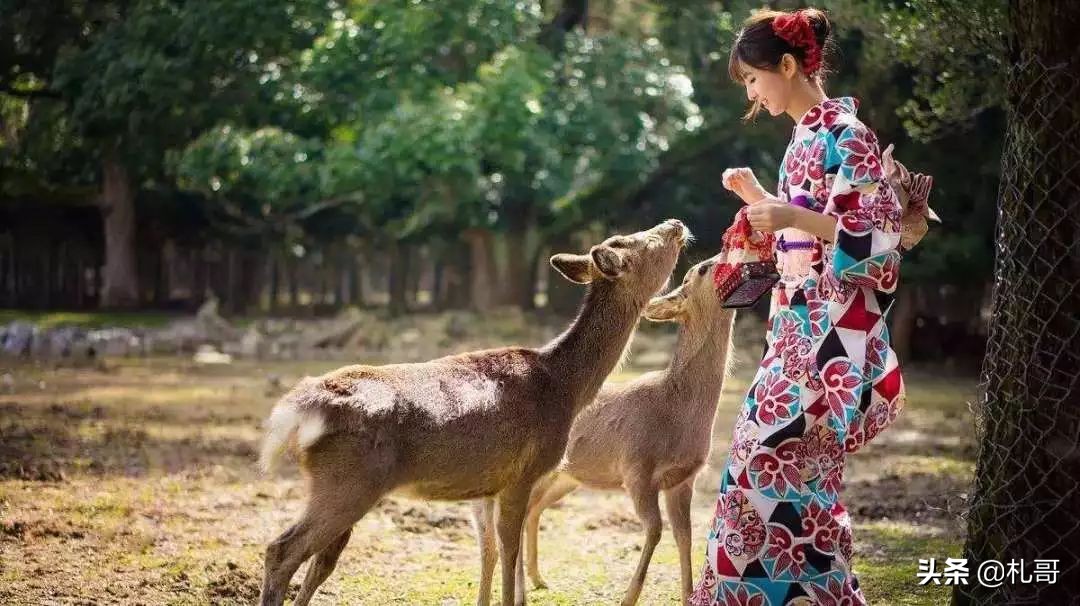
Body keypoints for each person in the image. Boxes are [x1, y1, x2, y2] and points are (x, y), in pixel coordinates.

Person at [689, 7, 911, 605]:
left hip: (835, 333)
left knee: (780, 460)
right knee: (761, 462)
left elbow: (877, 234)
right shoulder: (802, 141)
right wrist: (761, 199)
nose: (753, 93)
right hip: (796, 329)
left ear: (788, 65)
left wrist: (788, 215)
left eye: (754, 78)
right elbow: (808, 234)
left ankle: (811, 593)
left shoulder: (848, 136)